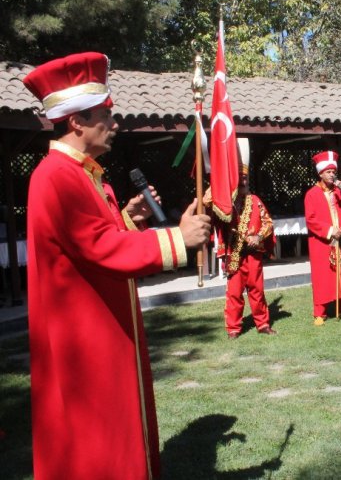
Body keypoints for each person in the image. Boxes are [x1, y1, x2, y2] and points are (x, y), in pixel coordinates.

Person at [23, 52, 211, 479]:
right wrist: (177, 239)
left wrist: (128, 219)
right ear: (76, 122)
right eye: (106, 115)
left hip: (103, 323)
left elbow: (90, 239)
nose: (115, 124)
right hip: (85, 335)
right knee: (99, 440)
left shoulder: (83, 175)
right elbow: (98, 246)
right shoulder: (56, 176)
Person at [206, 147, 276, 339]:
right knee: (234, 295)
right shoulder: (224, 203)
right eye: (238, 178)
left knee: (257, 291)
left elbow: (268, 223)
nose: (242, 181)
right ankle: (233, 329)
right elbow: (211, 216)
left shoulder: (255, 200)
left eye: (244, 178)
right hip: (233, 254)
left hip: (253, 254)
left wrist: (259, 237)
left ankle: (262, 324)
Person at [304, 150, 341, 325]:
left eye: (333, 172)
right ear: (320, 173)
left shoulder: (339, 191)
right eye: (328, 172)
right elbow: (311, 220)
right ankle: (320, 313)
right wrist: (329, 230)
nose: (332, 174)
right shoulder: (311, 194)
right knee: (322, 275)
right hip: (322, 241)